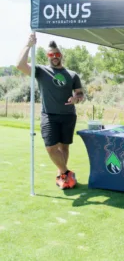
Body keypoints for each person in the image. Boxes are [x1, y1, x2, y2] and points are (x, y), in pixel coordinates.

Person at [16, 33, 84, 190]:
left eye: (57, 54)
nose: (54, 56)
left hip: (68, 116)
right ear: (48, 56)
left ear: (61, 55)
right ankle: (67, 173)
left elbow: (80, 94)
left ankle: (62, 177)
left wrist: (76, 98)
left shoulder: (72, 75)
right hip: (49, 116)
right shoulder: (41, 71)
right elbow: (20, 65)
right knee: (51, 148)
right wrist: (28, 45)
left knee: (64, 147)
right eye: (51, 54)